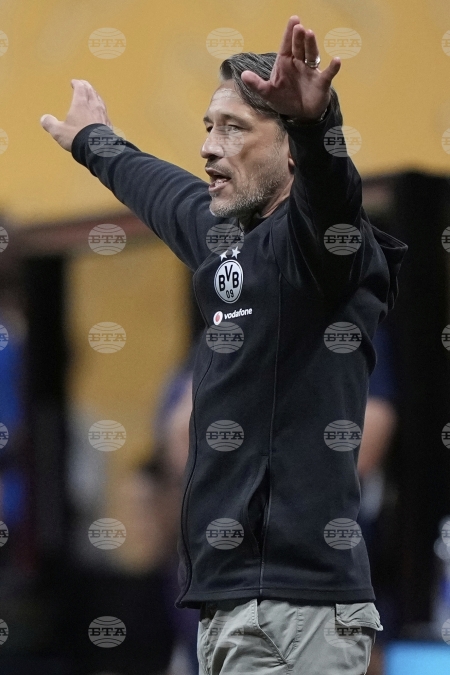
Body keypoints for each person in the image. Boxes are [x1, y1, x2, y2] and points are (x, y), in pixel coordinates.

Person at [40, 15, 408, 675]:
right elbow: (163, 193)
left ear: (290, 151)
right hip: (227, 605)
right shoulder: (227, 244)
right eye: (209, 126)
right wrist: (94, 140)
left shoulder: (327, 249)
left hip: (297, 610)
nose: (209, 146)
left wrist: (316, 127)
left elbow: (332, 198)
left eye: (234, 128)